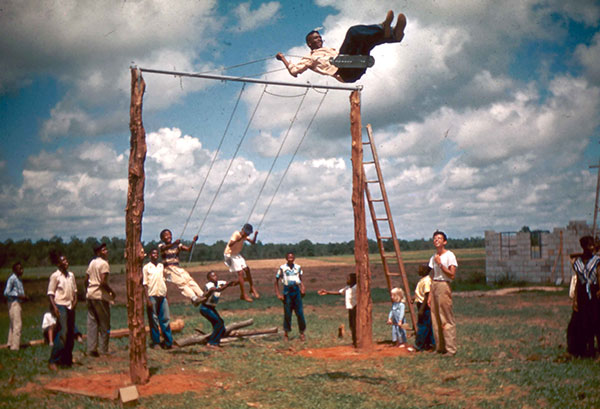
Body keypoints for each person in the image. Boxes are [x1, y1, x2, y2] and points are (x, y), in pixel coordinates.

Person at [276, 10, 406, 83]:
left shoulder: (329, 49)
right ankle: (383, 28)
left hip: (356, 65)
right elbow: (294, 72)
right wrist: (283, 58)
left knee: (364, 41)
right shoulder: (309, 58)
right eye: (316, 38)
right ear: (310, 43)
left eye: (319, 36)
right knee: (353, 32)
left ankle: (394, 35)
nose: (320, 38)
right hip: (344, 72)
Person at [567, 235, 600, 357]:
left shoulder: (596, 261)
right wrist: (575, 301)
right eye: (589, 245)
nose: (592, 247)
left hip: (594, 293)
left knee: (596, 321)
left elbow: (599, 276)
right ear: (584, 246)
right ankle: (589, 350)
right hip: (582, 294)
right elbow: (577, 282)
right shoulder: (578, 263)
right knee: (585, 322)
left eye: (593, 245)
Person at [428, 230, 458, 356]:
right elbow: (432, 275)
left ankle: (451, 349)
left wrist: (441, 265)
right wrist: (430, 294)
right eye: (435, 238)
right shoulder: (433, 257)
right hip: (434, 285)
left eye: (439, 238)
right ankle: (440, 347)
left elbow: (452, 275)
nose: (436, 240)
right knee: (435, 318)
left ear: (444, 242)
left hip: (444, 285)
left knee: (445, 317)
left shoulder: (449, 255)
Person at [47, 250, 78, 370]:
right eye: (63, 261)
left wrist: (74, 303)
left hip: (70, 305)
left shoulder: (71, 275)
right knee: (63, 332)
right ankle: (53, 360)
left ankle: (66, 360)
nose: (66, 262)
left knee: (70, 333)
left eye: (66, 260)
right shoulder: (55, 276)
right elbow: (50, 294)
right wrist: (54, 307)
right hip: (60, 305)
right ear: (58, 264)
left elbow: (75, 292)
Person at [158, 229, 205, 306]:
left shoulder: (177, 245)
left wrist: (193, 241)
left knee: (189, 280)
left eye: (169, 234)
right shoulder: (161, 246)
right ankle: (194, 298)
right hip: (169, 269)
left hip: (177, 268)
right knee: (181, 283)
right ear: (162, 239)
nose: (168, 236)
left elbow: (188, 249)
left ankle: (201, 294)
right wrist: (174, 243)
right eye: (165, 235)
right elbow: (165, 248)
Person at [85, 243, 115, 357]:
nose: (106, 251)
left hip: (90, 295)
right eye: (104, 250)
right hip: (100, 296)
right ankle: (103, 350)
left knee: (92, 323)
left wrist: (87, 290)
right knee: (105, 324)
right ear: (98, 252)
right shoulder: (104, 264)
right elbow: (103, 282)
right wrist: (112, 292)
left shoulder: (92, 262)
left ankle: (91, 349)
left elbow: (86, 279)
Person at [143, 248, 173, 349]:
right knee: (154, 320)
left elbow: (164, 281)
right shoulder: (146, 268)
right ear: (149, 255)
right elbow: (145, 284)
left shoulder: (161, 266)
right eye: (153, 253)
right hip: (152, 296)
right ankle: (156, 342)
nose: (155, 255)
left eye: (156, 253)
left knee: (165, 319)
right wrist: (147, 299)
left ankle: (168, 342)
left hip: (162, 295)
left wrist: (167, 296)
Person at [200, 271, 237, 348]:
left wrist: (239, 281)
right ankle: (212, 342)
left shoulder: (220, 282)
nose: (215, 277)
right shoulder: (209, 285)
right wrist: (227, 285)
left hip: (211, 308)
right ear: (209, 279)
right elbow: (218, 290)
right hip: (205, 308)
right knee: (219, 323)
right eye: (212, 276)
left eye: (216, 275)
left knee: (220, 325)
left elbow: (230, 284)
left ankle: (214, 341)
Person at [318, 273, 357, 346]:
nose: (347, 280)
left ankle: (357, 341)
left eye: (349, 278)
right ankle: (354, 341)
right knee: (351, 325)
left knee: (356, 325)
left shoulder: (357, 287)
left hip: (356, 308)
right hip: (350, 308)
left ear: (353, 279)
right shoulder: (347, 288)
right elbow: (339, 292)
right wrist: (327, 292)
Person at [274, 251, 306, 341]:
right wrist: (278, 294)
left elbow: (300, 279)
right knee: (288, 313)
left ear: (294, 258)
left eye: (292, 257)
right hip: (287, 291)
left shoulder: (298, 268)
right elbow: (276, 281)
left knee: (300, 313)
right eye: (289, 257)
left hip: (296, 290)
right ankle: (286, 334)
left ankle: (302, 333)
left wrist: (302, 287)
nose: (290, 258)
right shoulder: (282, 268)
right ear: (286, 258)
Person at [224, 223, 260, 302]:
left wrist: (255, 235)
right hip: (229, 254)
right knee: (240, 273)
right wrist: (240, 238)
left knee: (247, 269)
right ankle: (243, 294)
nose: (247, 234)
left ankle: (252, 288)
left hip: (236, 254)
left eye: (248, 233)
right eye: (246, 232)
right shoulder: (237, 234)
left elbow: (252, 242)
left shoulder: (245, 236)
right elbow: (230, 244)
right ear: (242, 230)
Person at [4, 262, 28, 350]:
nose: (22, 270)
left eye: (22, 268)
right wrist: (18, 295)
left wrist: (24, 297)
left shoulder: (19, 279)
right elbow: (6, 292)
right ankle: (15, 347)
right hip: (13, 303)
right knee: (17, 324)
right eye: (19, 269)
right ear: (14, 270)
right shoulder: (12, 279)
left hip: (18, 303)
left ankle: (10, 343)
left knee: (13, 324)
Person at [413, 264, 435, 352]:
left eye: (420, 269)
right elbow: (421, 292)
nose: (418, 270)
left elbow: (427, 295)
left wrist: (422, 309)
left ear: (426, 271)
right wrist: (414, 298)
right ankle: (429, 344)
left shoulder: (426, 281)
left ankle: (419, 345)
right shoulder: (423, 280)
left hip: (424, 305)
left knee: (422, 325)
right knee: (428, 325)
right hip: (421, 304)